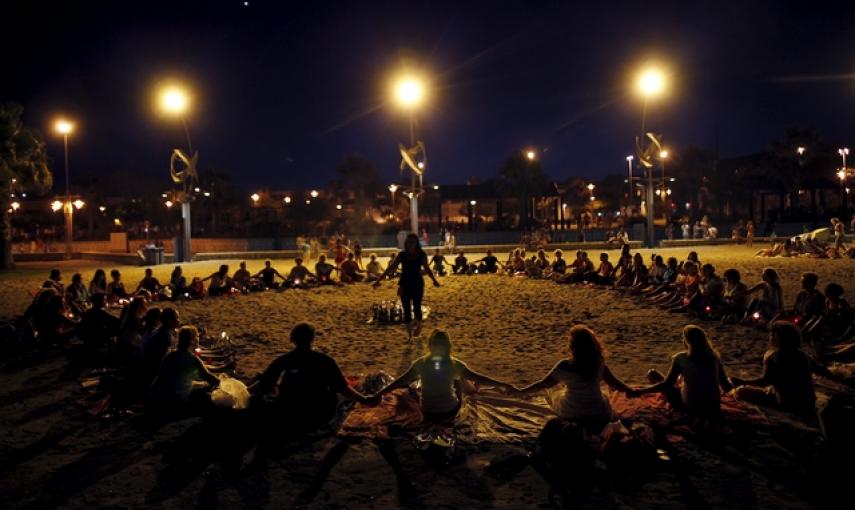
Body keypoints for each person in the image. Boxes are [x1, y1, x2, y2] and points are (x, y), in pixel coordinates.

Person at [251, 323, 375, 433]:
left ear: (293, 340)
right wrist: (363, 398)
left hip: (290, 412)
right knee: (338, 396)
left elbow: (265, 383)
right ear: (312, 339)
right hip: (319, 413)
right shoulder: (324, 360)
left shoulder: (285, 359)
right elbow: (343, 388)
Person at [372, 330, 515, 421]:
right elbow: (480, 377)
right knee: (459, 379)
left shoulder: (420, 363)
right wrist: (503, 384)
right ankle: (472, 391)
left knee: (421, 386)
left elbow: (399, 381)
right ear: (448, 346)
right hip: (448, 411)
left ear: (430, 346)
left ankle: (468, 389)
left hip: (427, 411)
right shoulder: (455, 364)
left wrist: (378, 394)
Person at [516, 325, 635, 434]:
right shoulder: (598, 365)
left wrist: (521, 391)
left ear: (572, 347)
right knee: (604, 395)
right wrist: (630, 390)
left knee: (552, 391)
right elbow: (615, 383)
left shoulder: (565, 366)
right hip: (597, 413)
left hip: (571, 413)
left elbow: (542, 384)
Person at [731, 321, 833, 419]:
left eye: (772, 336)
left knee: (741, 391)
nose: (769, 338)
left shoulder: (773, 357)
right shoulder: (803, 355)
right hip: (808, 402)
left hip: (786, 402)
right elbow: (822, 371)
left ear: (778, 339)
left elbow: (765, 381)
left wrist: (741, 381)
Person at [634, 325, 733, 422]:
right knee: (682, 381)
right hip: (713, 407)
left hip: (690, 406)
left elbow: (667, 383)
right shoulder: (714, 357)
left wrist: (641, 391)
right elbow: (726, 385)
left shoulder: (681, 358)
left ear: (687, 341)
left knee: (652, 374)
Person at [375, 233, 440, 340]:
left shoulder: (421, 254)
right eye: (409, 242)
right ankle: (410, 335)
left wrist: (434, 280)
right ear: (406, 243)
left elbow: (427, 269)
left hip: (417, 283)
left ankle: (419, 326)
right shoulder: (402, 255)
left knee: (417, 307)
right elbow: (391, 268)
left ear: (416, 243)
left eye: (413, 242)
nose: (411, 244)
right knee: (406, 309)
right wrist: (378, 280)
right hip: (404, 284)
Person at [148, 325, 220, 416]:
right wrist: (222, 382)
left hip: (158, 396)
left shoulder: (170, 355)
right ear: (192, 341)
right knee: (208, 388)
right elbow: (207, 376)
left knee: (197, 383)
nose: (199, 338)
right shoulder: (192, 358)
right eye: (197, 336)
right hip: (175, 401)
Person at [141, 307, 180, 389]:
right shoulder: (164, 335)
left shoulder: (164, 331)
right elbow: (162, 360)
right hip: (155, 374)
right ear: (169, 320)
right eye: (177, 318)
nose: (178, 320)